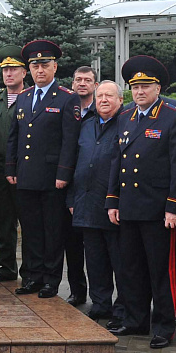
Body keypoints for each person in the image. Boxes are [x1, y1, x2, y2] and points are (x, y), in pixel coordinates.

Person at [105, 56, 176, 349]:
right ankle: (136, 319)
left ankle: (164, 326)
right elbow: (117, 161)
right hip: (130, 207)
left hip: (158, 210)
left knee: (161, 271)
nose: (140, 91)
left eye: (145, 86)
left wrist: (175, 206)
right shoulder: (126, 117)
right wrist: (113, 201)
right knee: (131, 269)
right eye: (135, 87)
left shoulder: (174, 116)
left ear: (158, 88)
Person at [5, 40, 82, 300]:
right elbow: (14, 136)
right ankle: (32, 276)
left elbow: (70, 141)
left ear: (54, 67)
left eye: (45, 65)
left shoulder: (67, 98)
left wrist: (63, 174)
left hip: (52, 178)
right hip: (26, 175)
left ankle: (50, 280)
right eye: (35, 65)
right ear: (29, 69)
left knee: (53, 231)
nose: (40, 70)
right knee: (30, 231)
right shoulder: (24, 97)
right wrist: (11, 167)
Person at [68, 79, 125, 324]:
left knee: (121, 263)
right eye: (100, 96)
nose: (103, 100)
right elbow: (74, 162)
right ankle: (100, 305)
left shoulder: (127, 124)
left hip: (114, 207)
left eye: (109, 96)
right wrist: (72, 198)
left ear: (120, 100)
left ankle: (122, 309)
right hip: (86, 203)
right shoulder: (86, 124)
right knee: (95, 261)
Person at [57, 66, 98, 306]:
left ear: (95, 85)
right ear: (72, 83)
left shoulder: (100, 111)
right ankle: (77, 291)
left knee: (95, 248)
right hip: (68, 185)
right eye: (78, 80)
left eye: (87, 80)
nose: (82, 83)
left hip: (93, 188)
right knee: (71, 245)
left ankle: (100, 296)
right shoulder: (66, 107)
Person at [0, 46, 26, 283]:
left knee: (28, 222)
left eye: (14, 69)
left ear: (24, 72)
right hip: (0, 168)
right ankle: (7, 267)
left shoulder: (30, 99)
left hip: (26, 169)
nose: (9, 74)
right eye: (5, 70)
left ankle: (30, 270)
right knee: (3, 220)